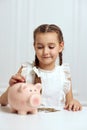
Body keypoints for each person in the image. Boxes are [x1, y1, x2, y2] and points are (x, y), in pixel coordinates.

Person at [0, 24, 82, 111]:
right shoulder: (26, 70)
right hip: (30, 122)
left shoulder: (64, 73)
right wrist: (12, 87)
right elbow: (3, 101)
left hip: (57, 122)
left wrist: (74, 103)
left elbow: (70, 103)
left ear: (60, 47)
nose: (45, 52)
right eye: (40, 47)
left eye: (51, 47)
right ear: (34, 47)